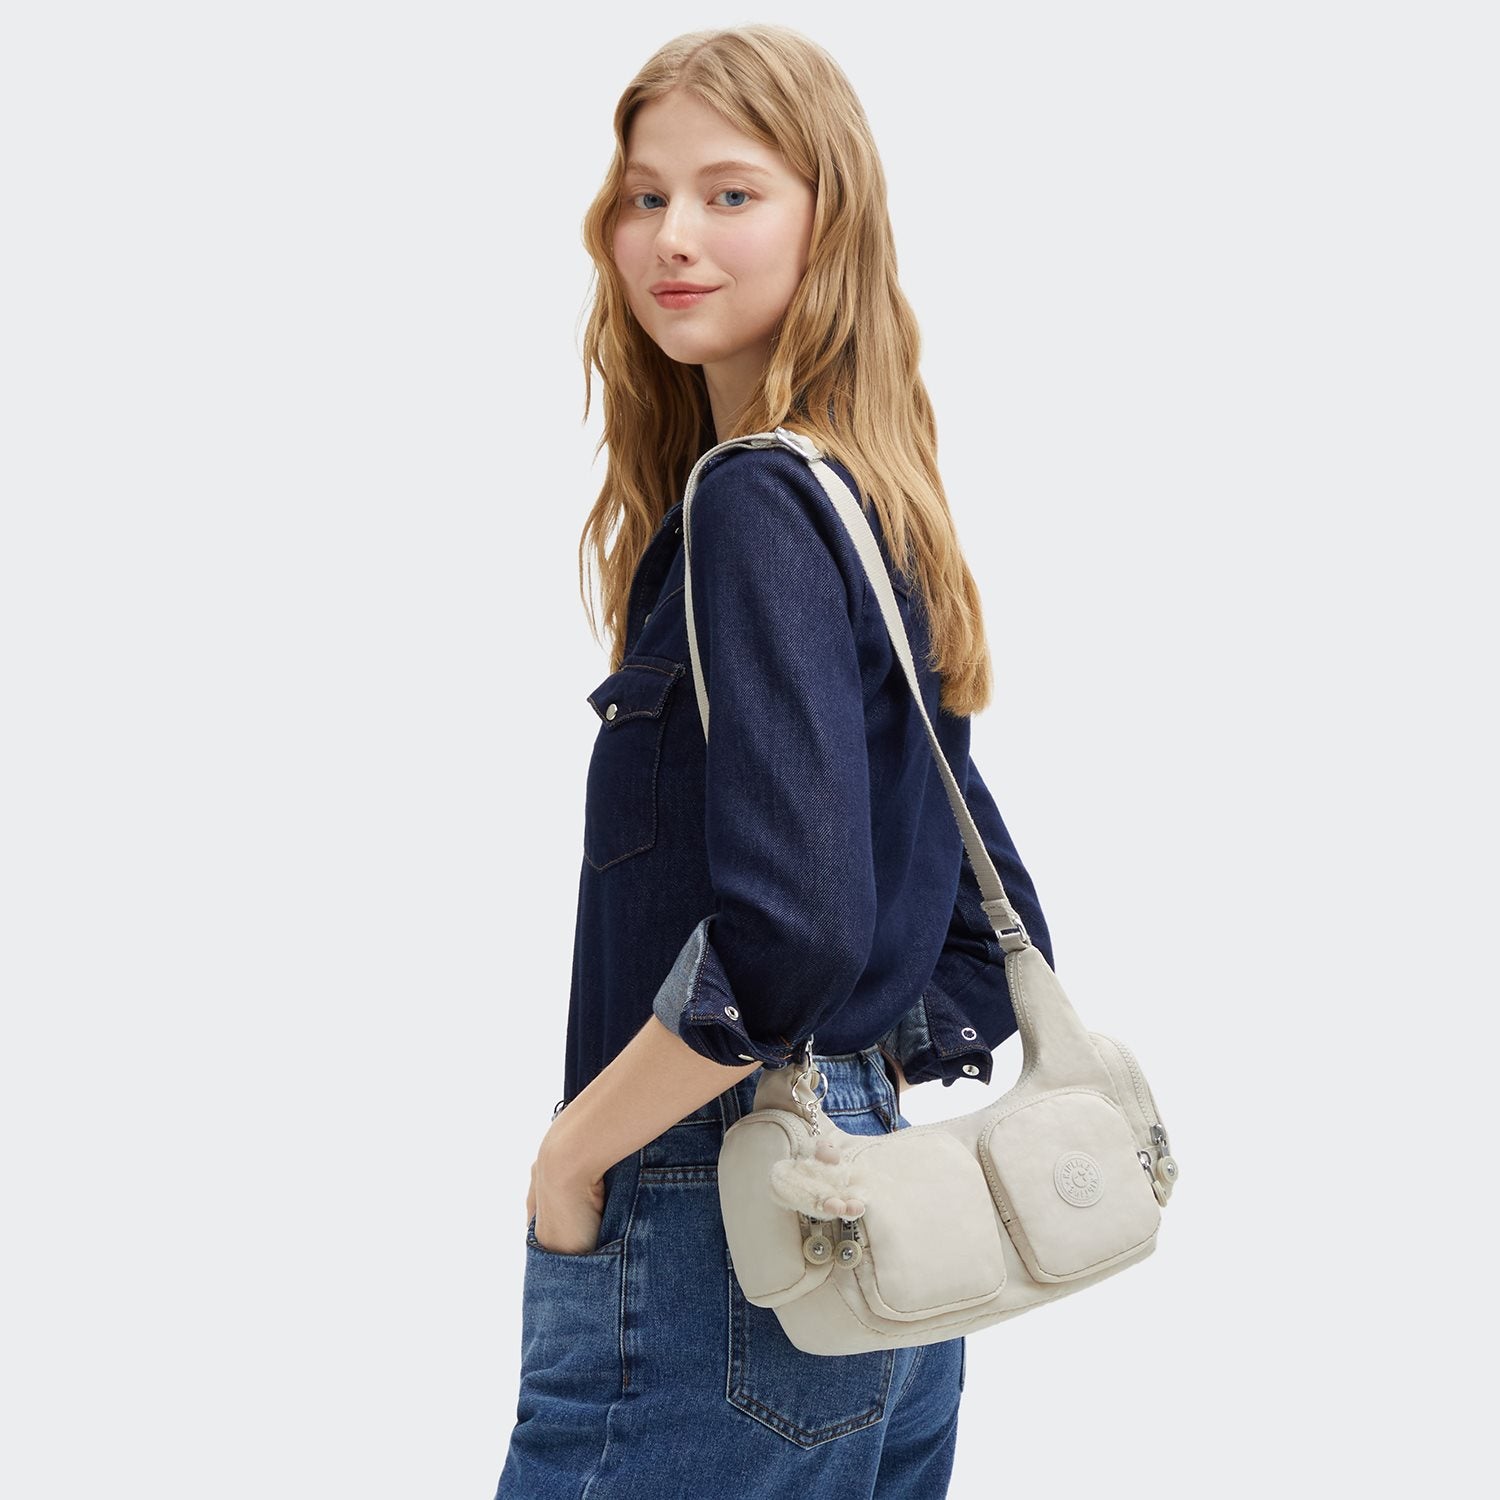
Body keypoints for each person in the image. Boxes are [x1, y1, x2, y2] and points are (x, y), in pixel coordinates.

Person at [495, 23, 1055, 1499]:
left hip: (722, 1223)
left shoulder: (753, 500)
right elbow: (976, 925)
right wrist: (856, 1078)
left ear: (831, 217)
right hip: (883, 1231)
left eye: (730, 193)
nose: (671, 236)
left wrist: (574, 1158)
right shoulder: (873, 502)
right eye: (644, 196)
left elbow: (791, 935)